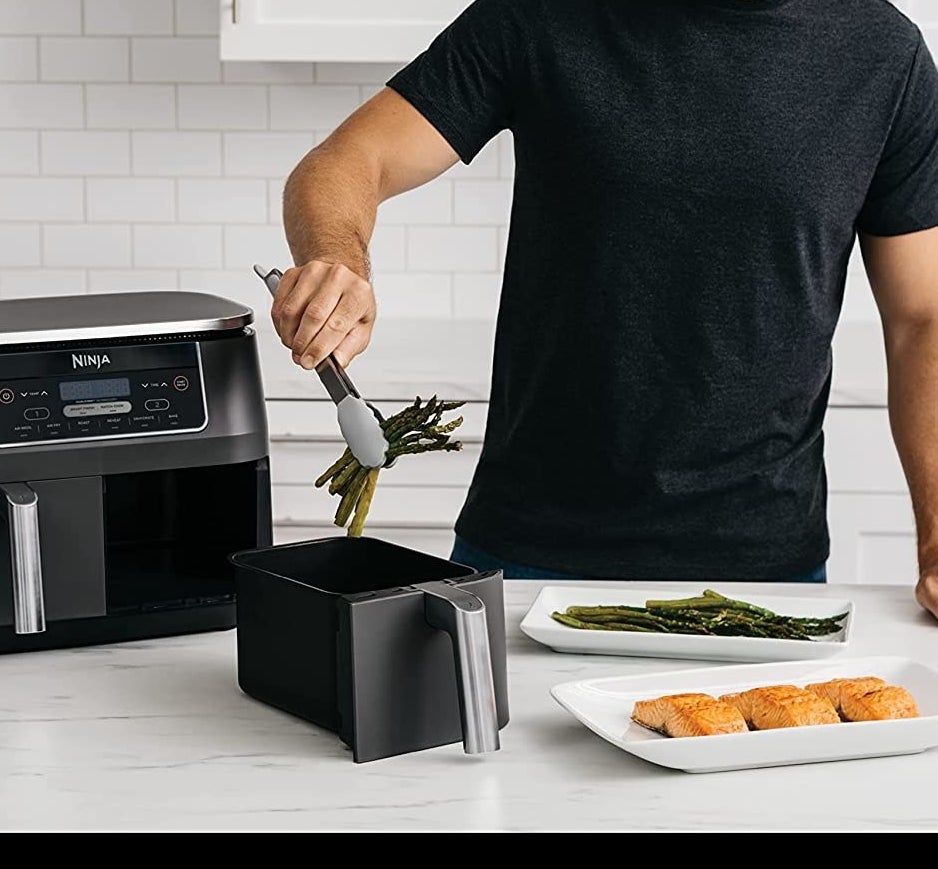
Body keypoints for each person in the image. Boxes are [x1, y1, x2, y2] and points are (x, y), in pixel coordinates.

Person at [270, 0, 938, 619]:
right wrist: (338, 261)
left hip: (767, 576)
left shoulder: (885, 55)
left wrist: (937, 538)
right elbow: (348, 160)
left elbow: (922, 318)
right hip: (529, 556)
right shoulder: (543, 14)